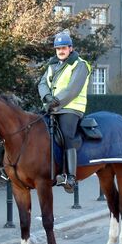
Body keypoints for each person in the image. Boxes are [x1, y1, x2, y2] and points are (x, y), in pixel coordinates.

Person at [38, 31, 91, 193]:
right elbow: (42, 83)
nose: (60, 51)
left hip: (71, 108)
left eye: (64, 48)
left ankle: (71, 177)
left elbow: (72, 89)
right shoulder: (52, 65)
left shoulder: (80, 64)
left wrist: (56, 103)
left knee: (67, 134)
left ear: (70, 48)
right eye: (58, 48)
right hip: (53, 107)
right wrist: (47, 97)